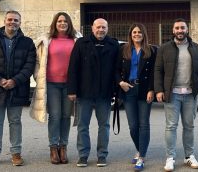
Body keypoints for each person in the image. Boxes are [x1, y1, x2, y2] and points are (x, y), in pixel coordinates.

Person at [0, 10, 36, 167]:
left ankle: (16, 153)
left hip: (17, 88)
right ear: (4, 20)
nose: (12, 22)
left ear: (20, 23)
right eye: (10, 19)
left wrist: (15, 80)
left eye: (16, 20)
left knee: (15, 121)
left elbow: (29, 65)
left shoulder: (27, 42)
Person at [67, 18, 119, 167]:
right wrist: (72, 89)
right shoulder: (81, 43)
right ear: (92, 28)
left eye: (103, 27)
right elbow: (73, 68)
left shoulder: (114, 44)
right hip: (85, 93)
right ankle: (83, 155)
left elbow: (117, 70)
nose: (100, 30)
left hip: (105, 93)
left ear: (107, 28)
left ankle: (102, 155)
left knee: (104, 126)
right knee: (83, 125)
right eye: (98, 27)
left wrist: (116, 91)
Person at [30, 12, 80, 164]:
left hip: (70, 85)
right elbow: (37, 61)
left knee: (66, 116)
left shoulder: (77, 40)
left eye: (65, 21)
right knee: (55, 115)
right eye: (59, 21)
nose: (62, 23)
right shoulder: (46, 40)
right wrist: (38, 75)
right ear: (55, 23)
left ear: (69, 23)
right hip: (51, 83)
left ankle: (63, 147)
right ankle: (53, 147)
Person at [154, 19, 198, 172]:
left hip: (190, 94)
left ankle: (189, 156)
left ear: (187, 29)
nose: (180, 30)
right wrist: (159, 90)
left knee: (189, 126)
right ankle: (170, 158)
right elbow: (158, 70)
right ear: (173, 30)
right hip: (172, 94)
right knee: (171, 126)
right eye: (177, 28)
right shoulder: (164, 48)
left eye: (182, 27)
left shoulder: (195, 47)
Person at [116, 23, 157, 171]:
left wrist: (152, 89)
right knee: (133, 126)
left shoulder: (151, 50)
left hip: (145, 89)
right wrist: (121, 82)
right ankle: (140, 149)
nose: (137, 34)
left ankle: (141, 156)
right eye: (134, 32)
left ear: (144, 34)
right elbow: (116, 70)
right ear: (130, 34)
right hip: (128, 89)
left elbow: (154, 72)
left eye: (139, 32)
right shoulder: (123, 50)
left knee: (144, 124)